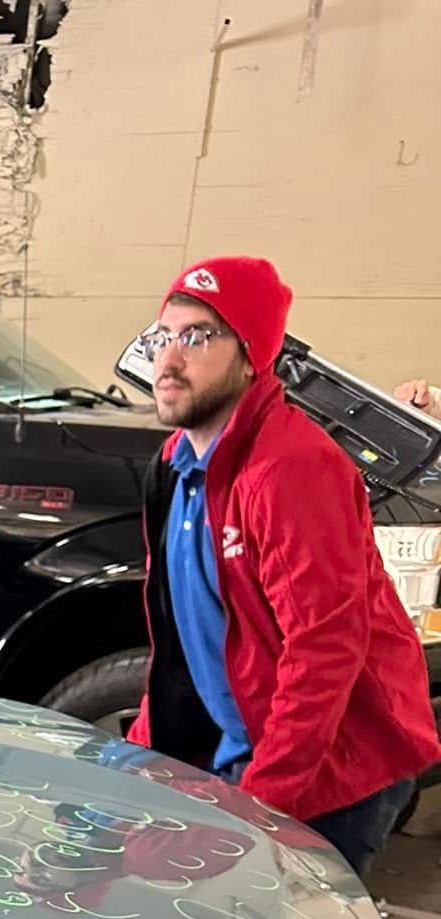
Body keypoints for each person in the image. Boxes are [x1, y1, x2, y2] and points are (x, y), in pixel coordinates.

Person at [127, 257, 438, 876]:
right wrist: (135, 759)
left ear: (252, 355)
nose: (169, 359)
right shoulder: (176, 465)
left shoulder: (292, 470)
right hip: (248, 757)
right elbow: (182, 644)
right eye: (163, 336)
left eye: (198, 337)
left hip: (332, 771)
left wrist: (265, 806)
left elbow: (325, 649)